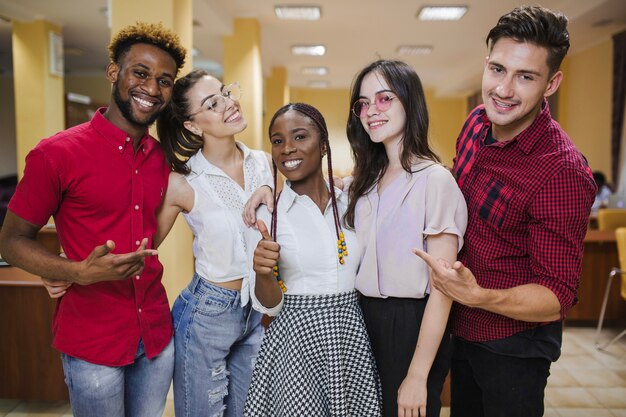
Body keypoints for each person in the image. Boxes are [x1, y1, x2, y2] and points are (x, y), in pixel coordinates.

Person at [413, 6, 597, 417]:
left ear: (552, 83)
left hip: (512, 347)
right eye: (498, 69)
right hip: (459, 327)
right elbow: (456, 189)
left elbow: (556, 296)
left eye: (526, 76)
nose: (504, 89)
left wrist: (478, 295)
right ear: (486, 63)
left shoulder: (562, 171)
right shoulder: (476, 123)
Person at [0, 22, 186, 417]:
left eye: (164, 80)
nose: (152, 88)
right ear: (113, 72)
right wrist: (73, 271)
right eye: (140, 72)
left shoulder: (161, 158)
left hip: (155, 333)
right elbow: (12, 240)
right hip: (92, 339)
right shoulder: (57, 154)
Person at [344, 60, 467, 417]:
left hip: (411, 324)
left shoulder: (436, 181)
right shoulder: (364, 183)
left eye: (384, 99)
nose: (371, 111)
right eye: (363, 104)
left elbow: (444, 289)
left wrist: (417, 375)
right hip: (362, 317)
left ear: (410, 103)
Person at [243, 103, 381, 416]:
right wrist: (263, 273)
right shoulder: (267, 215)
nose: (287, 148)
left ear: (322, 146)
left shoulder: (351, 202)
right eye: (277, 141)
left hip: (350, 336)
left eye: (299, 136)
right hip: (296, 342)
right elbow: (269, 305)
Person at [155, 69, 272, 417]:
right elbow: (144, 244)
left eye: (225, 93)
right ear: (193, 126)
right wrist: (73, 263)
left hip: (257, 308)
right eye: (212, 103)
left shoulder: (266, 164)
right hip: (207, 313)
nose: (228, 104)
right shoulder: (184, 181)